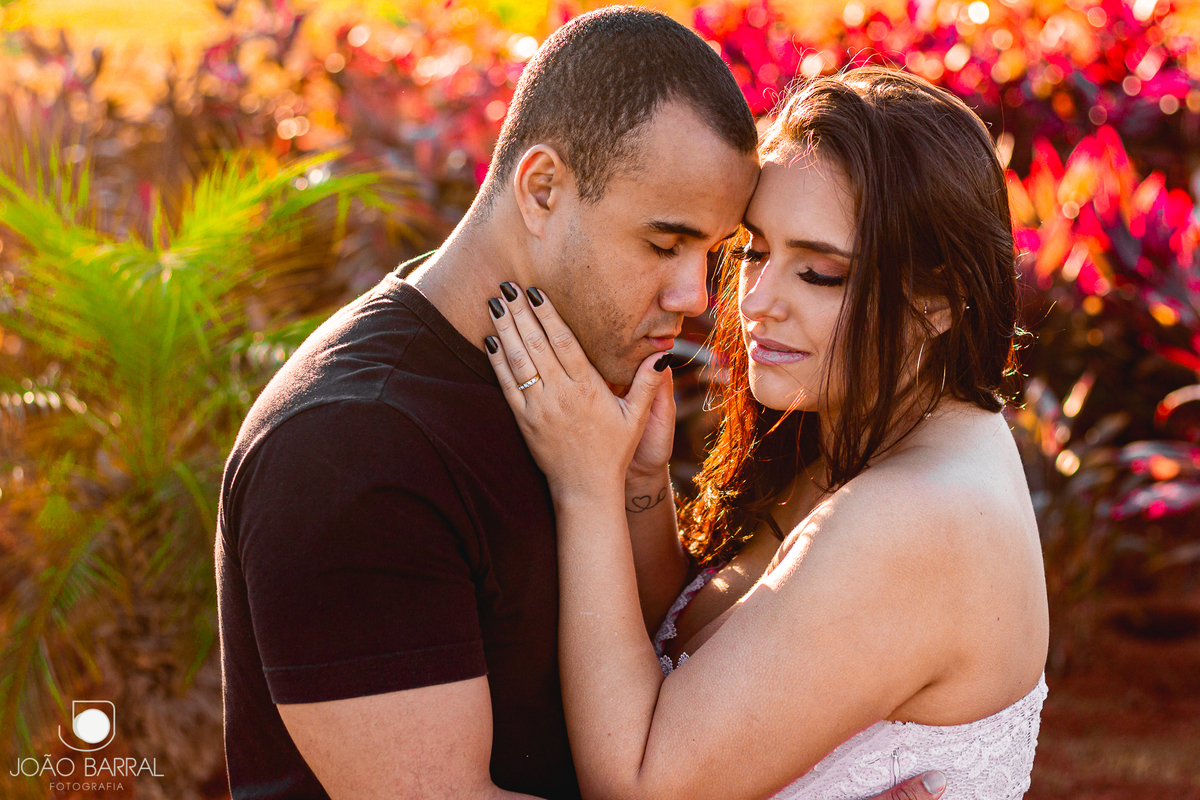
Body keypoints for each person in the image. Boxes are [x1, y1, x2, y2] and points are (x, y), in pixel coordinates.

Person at [215, 7, 952, 799]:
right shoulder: (348, 449)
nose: (696, 296)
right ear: (541, 190)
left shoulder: (572, 359)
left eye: (714, 252)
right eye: (664, 244)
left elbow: (662, 659)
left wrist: (635, 488)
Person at [483, 66, 1049, 799]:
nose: (756, 300)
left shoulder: (915, 518)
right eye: (755, 250)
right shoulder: (870, 429)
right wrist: (640, 483)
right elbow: (695, 646)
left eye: (819, 272)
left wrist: (584, 485)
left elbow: (637, 784)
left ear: (938, 301)